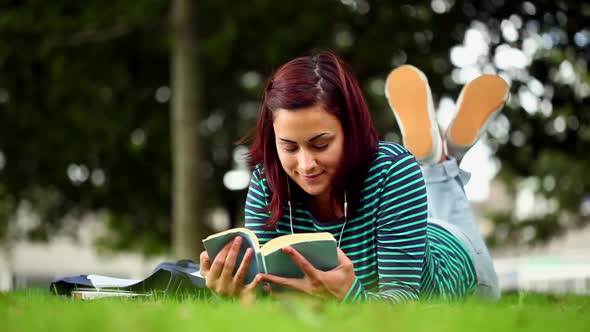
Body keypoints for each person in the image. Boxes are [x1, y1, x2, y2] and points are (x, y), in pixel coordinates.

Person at [199, 51, 509, 303]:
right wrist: (238, 294)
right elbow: (270, 297)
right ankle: (440, 158)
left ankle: (438, 164)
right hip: (411, 229)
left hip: (459, 263)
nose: (306, 165)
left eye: (321, 144)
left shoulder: (393, 170)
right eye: (289, 147)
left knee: (434, 182)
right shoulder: (267, 182)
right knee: (428, 176)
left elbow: (403, 300)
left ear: (352, 132)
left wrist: (350, 297)